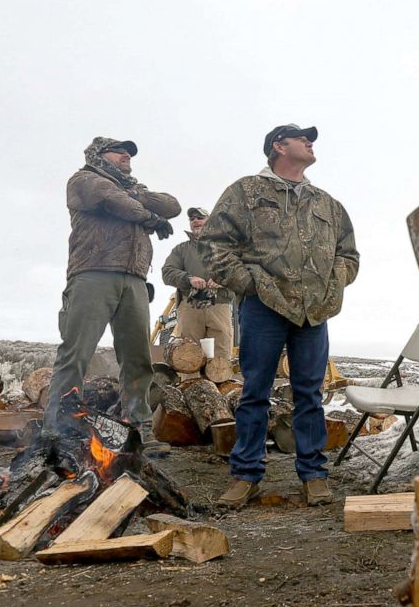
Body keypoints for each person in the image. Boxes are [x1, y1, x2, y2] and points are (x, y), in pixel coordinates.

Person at [201, 123, 359, 507]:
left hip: (314, 312)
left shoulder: (328, 204)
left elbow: (349, 255)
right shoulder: (246, 192)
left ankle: (314, 475)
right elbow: (214, 245)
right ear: (278, 146)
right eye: (301, 137)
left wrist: (331, 284)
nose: (310, 142)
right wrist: (249, 282)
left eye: (312, 138)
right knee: (255, 392)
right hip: (263, 307)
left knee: (310, 394)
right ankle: (245, 475)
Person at [44, 137, 181, 456]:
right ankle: (56, 428)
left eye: (129, 153)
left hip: (134, 279)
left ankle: (139, 427)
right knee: (76, 351)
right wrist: (147, 216)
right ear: (98, 155)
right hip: (93, 272)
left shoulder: (132, 188)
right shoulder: (84, 180)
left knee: (138, 357)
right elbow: (109, 198)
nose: (126, 156)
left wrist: (138, 195)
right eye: (119, 151)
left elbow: (172, 205)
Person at [161, 207, 235, 359]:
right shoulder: (181, 250)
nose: (195, 220)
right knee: (188, 357)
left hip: (219, 306)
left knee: (221, 358)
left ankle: (220, 383)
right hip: (190, 307)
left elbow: (243, 270)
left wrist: (223, 279)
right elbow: (167, 272)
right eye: (192, 218)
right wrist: (188, 279)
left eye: (200, 217)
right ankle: (190, 383)